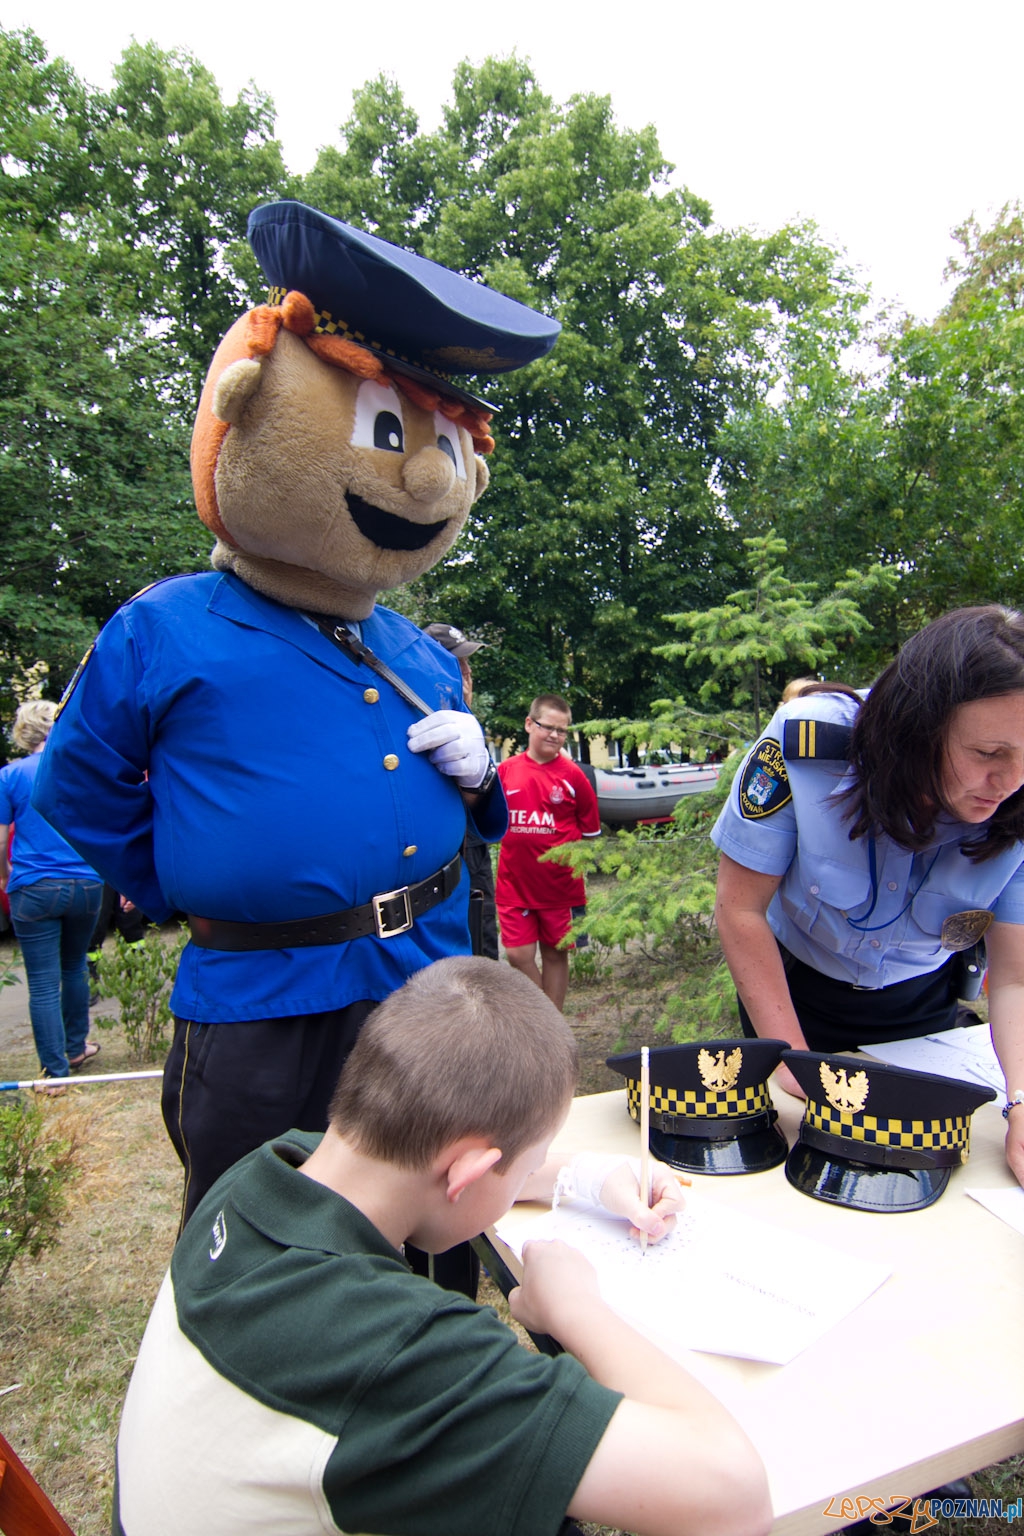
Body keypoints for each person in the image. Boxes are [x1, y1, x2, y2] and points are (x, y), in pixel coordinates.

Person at [112, 956, 771, 1536]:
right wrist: (574, 1308)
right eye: (527, 1161)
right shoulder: (392, 1352)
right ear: (471, 1172)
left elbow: (446, 1163)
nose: (532, 1170)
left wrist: (589, 1175)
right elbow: (733, 1501)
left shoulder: (261, 1176)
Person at [710, 606, 1024, 1185]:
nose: (1010, 784)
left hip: (920, 1006)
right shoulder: (809, 746)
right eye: (988, 755)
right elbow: (739, 909)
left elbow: (1014, 977)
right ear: (921, 726)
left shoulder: (1017, 799)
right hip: (792, 994)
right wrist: (791, 1062)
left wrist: (1022, 1100)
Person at [0, 701, 103, 1082]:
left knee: (43, 981)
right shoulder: (81, 772)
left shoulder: (10, 776)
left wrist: (5, 874)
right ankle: (76, 1048)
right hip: (87, 883)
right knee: (75, 966)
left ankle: (54, 1071)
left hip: (35, 885)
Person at [496, 694, 601, 1010]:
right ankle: (547, 1017)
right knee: (517, 955)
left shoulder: (574, 777)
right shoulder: (506, 771)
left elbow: (591, 835)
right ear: (529, 724)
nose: (555, 735)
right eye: (548, 727)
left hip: (560, 888)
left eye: (562, 730)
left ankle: (552, 1031)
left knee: (556, 954)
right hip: (513, 884)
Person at [423, 621, 499, 960]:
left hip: (475, 852)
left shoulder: (466, 717)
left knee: (482, 946)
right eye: (457, 662)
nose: (467, 672)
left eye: (467, 662)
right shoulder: (417, 717)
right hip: (436, 864)